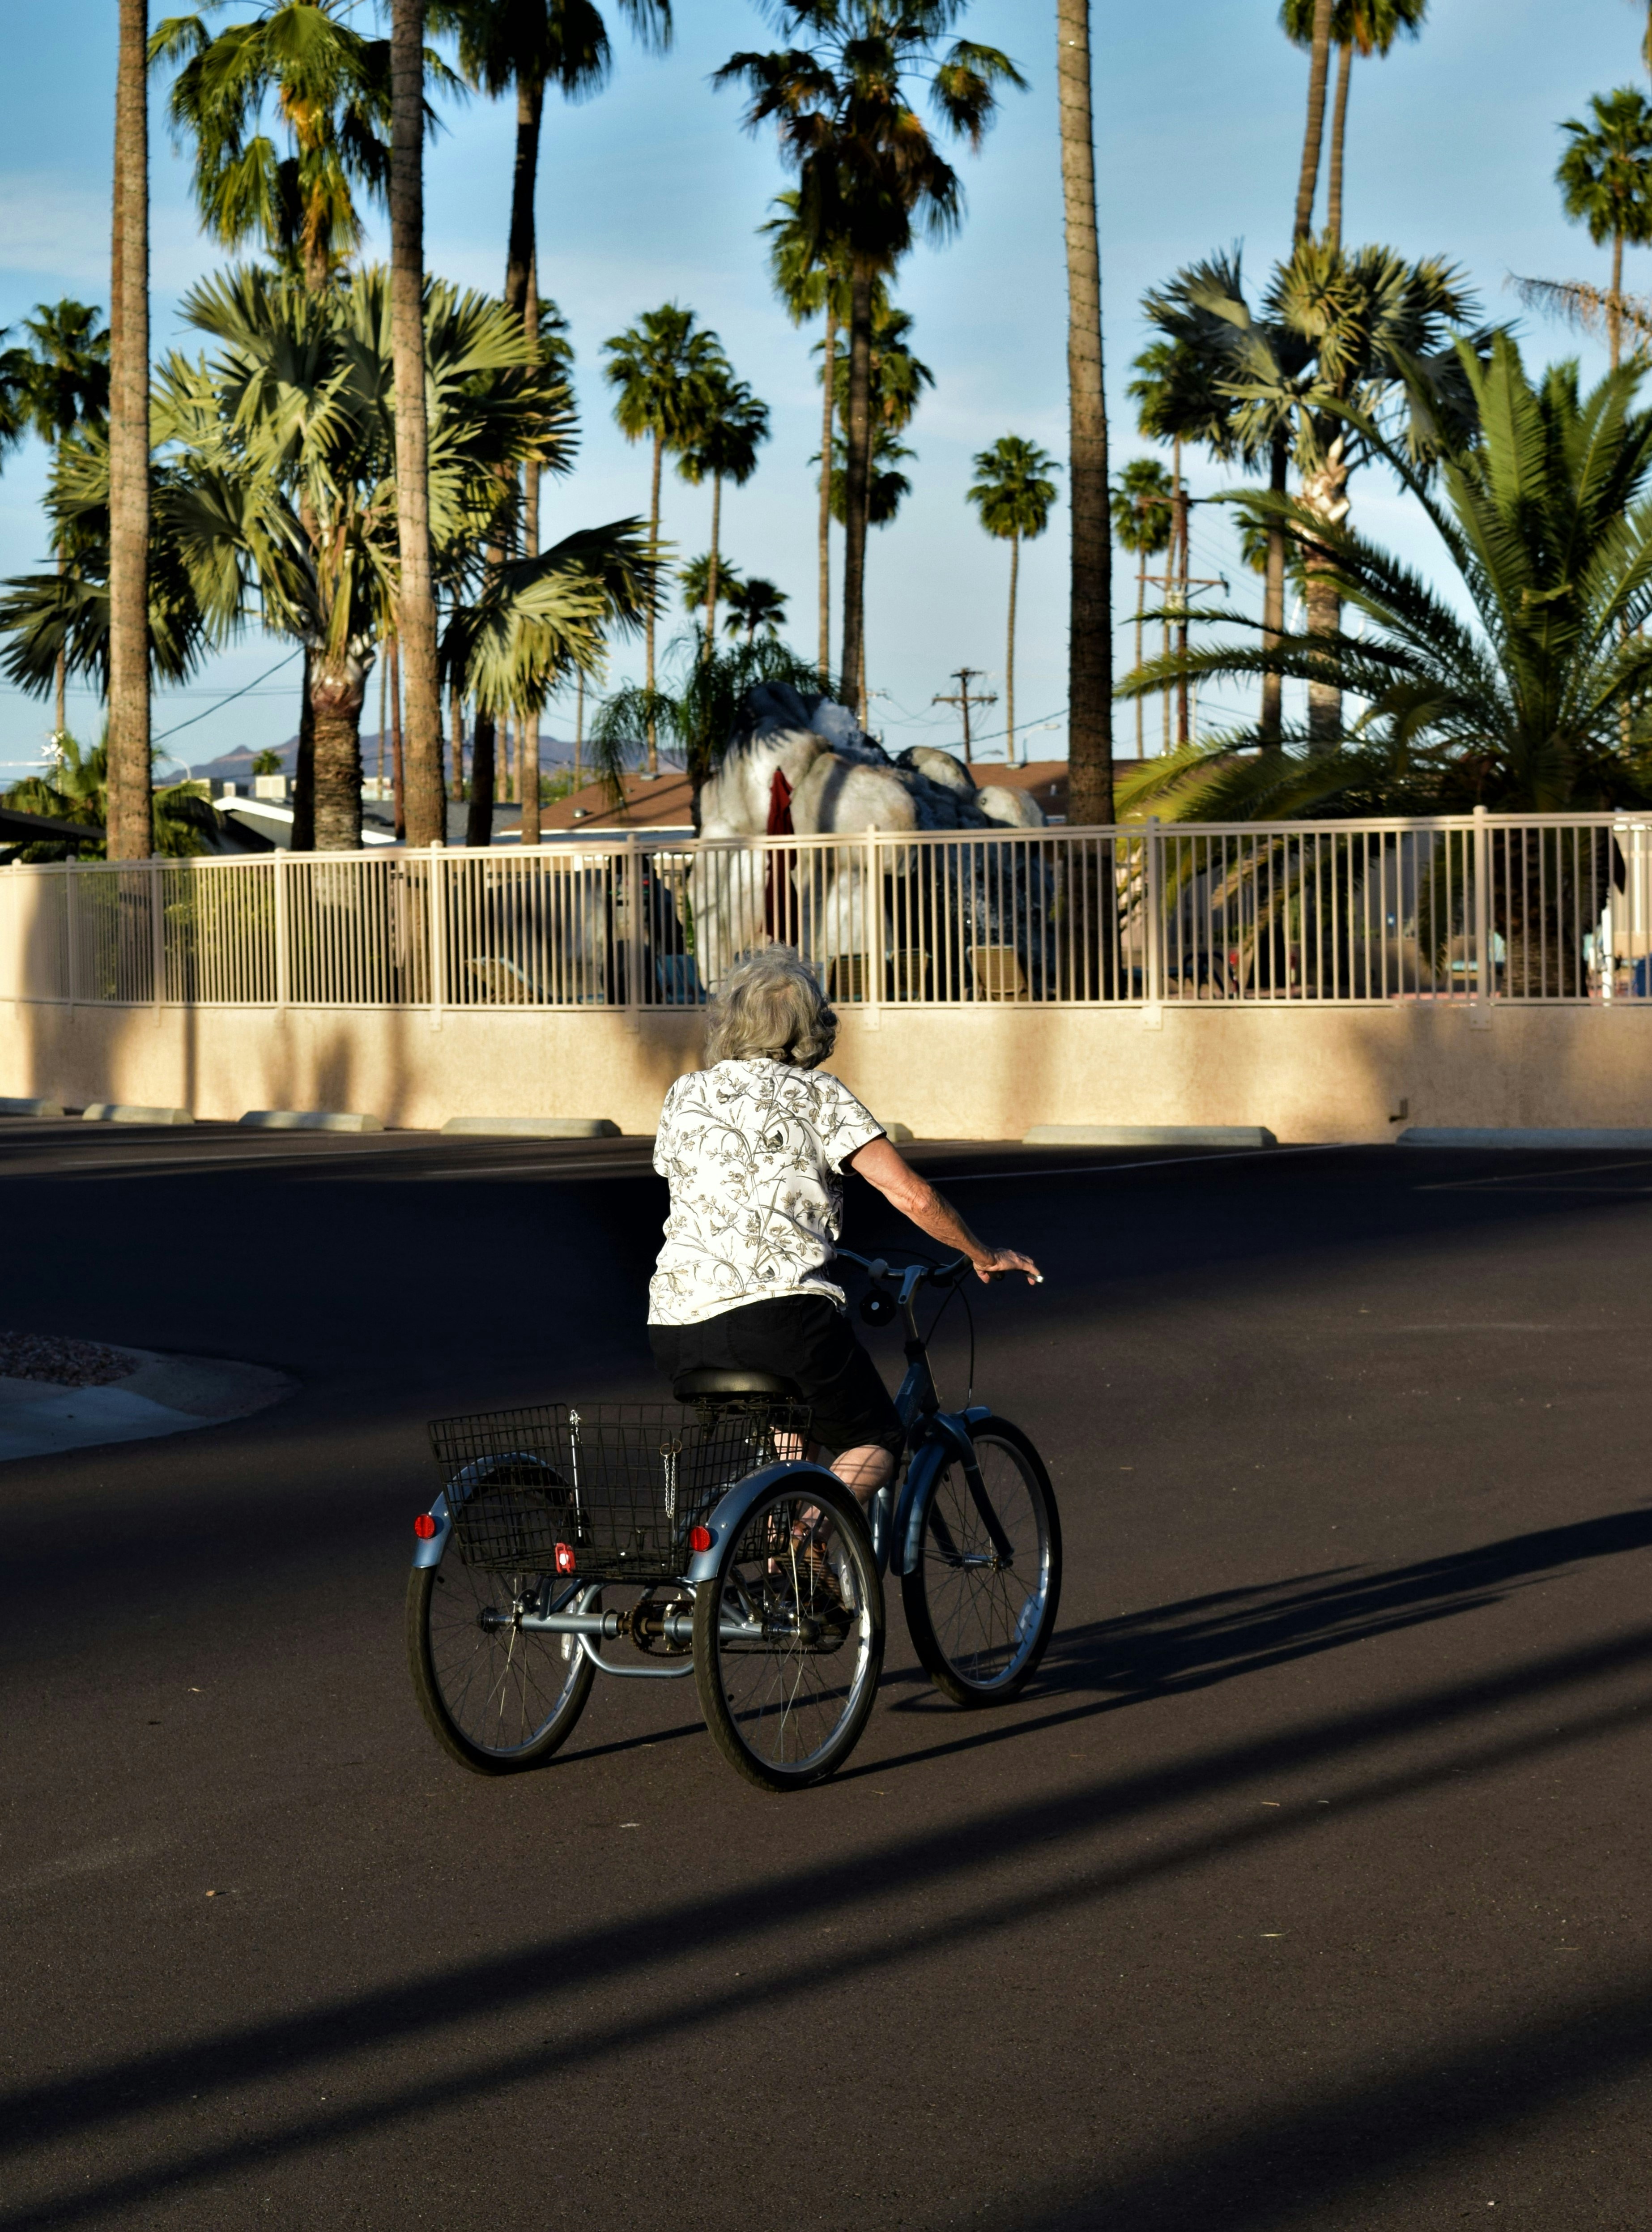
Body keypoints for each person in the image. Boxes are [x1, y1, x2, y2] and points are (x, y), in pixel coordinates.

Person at [648, 946, 1041, 1506]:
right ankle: (808, 1541)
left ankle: (788, 1573)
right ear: (812, 1027)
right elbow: (910, 1194)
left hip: (677, 1326)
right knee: (875, 1438)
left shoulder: (685, 1093)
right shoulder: (820, 1096)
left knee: (795, 1429)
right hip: (780, 1316)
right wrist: (981, 1253)